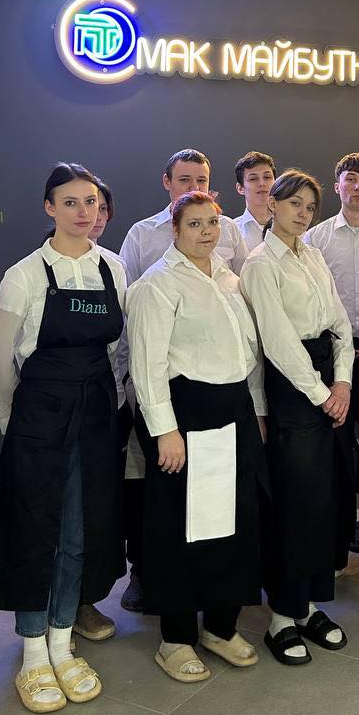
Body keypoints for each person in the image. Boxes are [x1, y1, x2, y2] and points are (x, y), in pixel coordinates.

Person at [0, 164, 127, 713]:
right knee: (33, 527)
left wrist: (112, 403)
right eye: (70, 202)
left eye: (90, 202)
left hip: (95, 413)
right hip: (39, 414)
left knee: (78, 528)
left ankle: (63, 642)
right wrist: (11, 417)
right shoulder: (25, 273)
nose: (83, 212)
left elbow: (116, 350)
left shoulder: (112, 267)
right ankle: (32, 651)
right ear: (49, 208)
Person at [127, 192, 268, 682]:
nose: (206, 232)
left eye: (212, 222)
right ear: (175, 229)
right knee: (180, 526)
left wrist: (257, 410)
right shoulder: (158, 284)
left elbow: (248, 353)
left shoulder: (228, 278)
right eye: (194, 224)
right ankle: (176, 637)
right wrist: (165, 431)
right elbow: (147, 365)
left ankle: (221, 626)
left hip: (235, 409)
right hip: (185, 412)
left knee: (233, 522)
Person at [239, 170, 354, 665]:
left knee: (324, 500)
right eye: (294, 204)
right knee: (293, 503)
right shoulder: (260, 264)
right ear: (272, 204)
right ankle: (281, 617)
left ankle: (308, 606)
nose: (303, 214)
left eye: (310, 206)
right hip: (293, 387)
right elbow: (278, 341)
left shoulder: (313, 255)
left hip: (329, 382)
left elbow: (340, 322)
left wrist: (343, 383)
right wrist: (321, 393)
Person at [304, 152, 359, 554]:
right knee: (338, 445)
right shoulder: (316, 238)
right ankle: (338, 534)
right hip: (333, 352)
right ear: (337, 185)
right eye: (350, 179)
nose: (357, 187)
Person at [74, 178, 142, 640]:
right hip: (56, 409)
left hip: (110, 404)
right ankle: (53, 606)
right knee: (67, 509)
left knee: (100, 509)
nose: (91, 217)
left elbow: (124, 341)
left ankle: (86, 600)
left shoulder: (114, 266)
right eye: (79, 205)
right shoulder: (34, 270)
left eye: (99, 209)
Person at [119, 149, 248, 281]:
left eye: (201, 180)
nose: (194, 188)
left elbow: (245, 283)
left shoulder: (228, 227)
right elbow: (126, 287)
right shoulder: (140, 234)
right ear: (167, 182)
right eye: (185, 180)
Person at [233, 151, 277, 253]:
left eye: (267, 177)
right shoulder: (232, 230)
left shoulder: (291, 226)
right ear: (240, 188)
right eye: (253, 179)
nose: (262, 184)